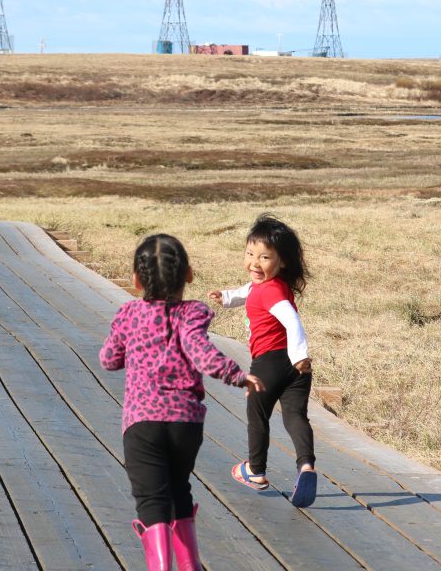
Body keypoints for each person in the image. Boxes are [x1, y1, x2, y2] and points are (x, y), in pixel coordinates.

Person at [101, 234, 264, 571]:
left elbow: (108, 359)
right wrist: (237, 374)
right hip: (185, 424)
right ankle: (190, 566)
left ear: (135, 279)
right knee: (178, 490)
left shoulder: (129, 315)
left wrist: (127, 348)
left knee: (152, 501)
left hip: (142, 423)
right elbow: (202, 353)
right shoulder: (191, 315)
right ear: (188, 274)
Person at [209, 214, 317, 509]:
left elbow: (292, 322)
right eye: (249, 254)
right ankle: (306, 466)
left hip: (271, 362)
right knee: (295, 416)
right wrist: (227, 297)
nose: (254, 263)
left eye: (264, 257)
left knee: (257, 412)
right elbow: (247, 291)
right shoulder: (272, 284)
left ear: (281, 262)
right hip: (296, 371)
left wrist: (300, 354)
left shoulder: (272, 293)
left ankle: (256, 471)